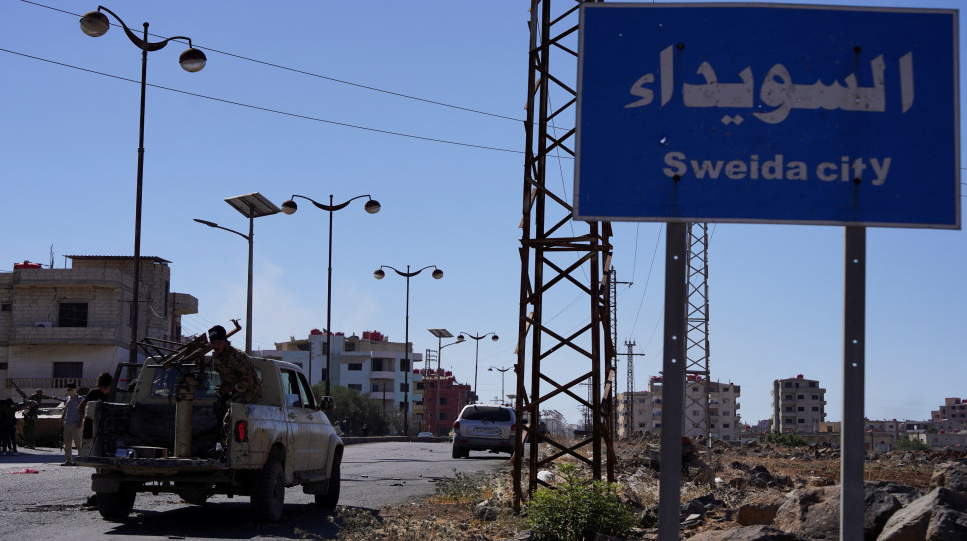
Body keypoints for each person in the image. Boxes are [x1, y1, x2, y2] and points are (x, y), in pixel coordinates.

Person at [209, 325, 262, 446]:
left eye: (219, 342)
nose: (216, 346)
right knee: (218, 417)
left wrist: (230, 389)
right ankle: (223, 447)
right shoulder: (216, 357)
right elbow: (224, 375)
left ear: (225, 342)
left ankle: (235, 449)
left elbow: (249, 381)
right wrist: (223, 390)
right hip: (233, 391)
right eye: (213, 343)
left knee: (232, 421)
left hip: (249, 393)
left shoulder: (238, 356)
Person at [78, 372, 112, 439]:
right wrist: (84, 418)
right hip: (90, 429)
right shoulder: (93, 393)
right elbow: (80, 407)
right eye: (102, 388)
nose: (104, 391)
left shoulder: (114, 395)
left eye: (107, 388)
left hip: (106, 429)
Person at [60, 383, 83, 465]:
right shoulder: (67, 398)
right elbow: (65, 410)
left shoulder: (80, 399)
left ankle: (80, 460)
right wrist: (62, 419)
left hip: (76, 423)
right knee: (67, 443)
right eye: (68, 390)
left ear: (75, 390)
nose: (69, 391)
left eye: (71, 390)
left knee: (78, 443)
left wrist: (81, 422)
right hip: (67, 423)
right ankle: (68, 460)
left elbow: (83, 411)